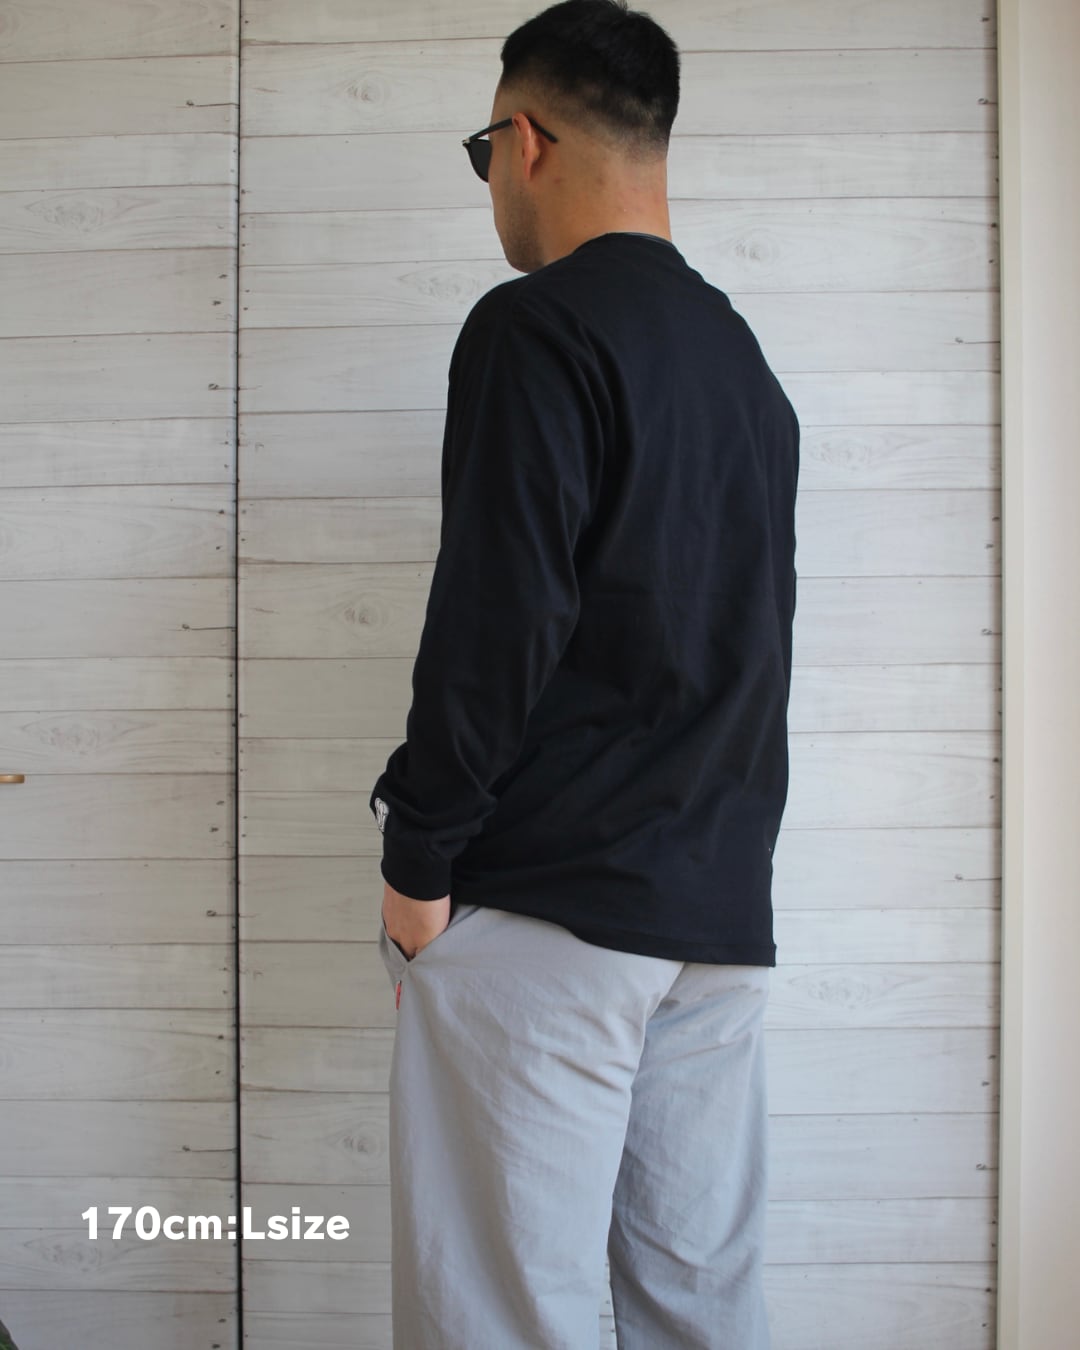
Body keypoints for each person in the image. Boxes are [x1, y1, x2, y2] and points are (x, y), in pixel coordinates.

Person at [368, 1, 799, 1345]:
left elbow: (498, 617)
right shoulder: (745, 368)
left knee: (505, 1313)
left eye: (484, 151)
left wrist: (418, 858)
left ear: (526, 139)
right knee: (696, 1309)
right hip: (713, 922)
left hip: (551, 912)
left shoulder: (536, 329)